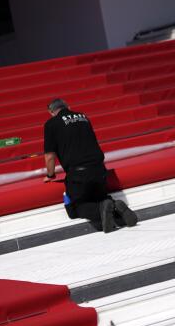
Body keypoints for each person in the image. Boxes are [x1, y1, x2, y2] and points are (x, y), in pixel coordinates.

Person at [43, 99, 138, 233]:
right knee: (100, 198)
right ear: (68, 106)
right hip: (99, 169)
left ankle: (107, 207)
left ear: (51, 112)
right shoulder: (83, 117)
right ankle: (115, 206)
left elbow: (49, 156)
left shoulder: (51, 124)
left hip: (78, 173)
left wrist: (50, 175)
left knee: (76, 208)